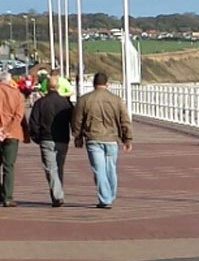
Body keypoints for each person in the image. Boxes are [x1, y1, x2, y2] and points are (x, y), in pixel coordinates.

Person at [71, 72, 133, 209]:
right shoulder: (116, 100)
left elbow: (77, 120)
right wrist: (127, 139)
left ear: (94, 84)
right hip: (112, 139)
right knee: (110, 168)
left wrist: (77, 136)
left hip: (93, 138)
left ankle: (105, 198)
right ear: (107, 84)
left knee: (99, 169)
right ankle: (110, 195)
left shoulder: (84, 100)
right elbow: (125, 120)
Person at [28, 75, 73, 207]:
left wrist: (36, 137)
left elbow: (34, 123)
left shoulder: (40, 103)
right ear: (58, 86)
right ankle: (58, 193)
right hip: (62, 139)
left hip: (46, 138)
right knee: (59, 167)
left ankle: (57, 195)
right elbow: (73, 120)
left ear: (47, 87)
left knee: (50, 168)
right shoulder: (66, 103)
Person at [0, 71, 26, 207]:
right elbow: (19, 116)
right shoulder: (17, 95)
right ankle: (7, 197)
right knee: (8, 166)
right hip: (12, 133)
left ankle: (2, 193)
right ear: (10, 81)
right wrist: (7, 130)